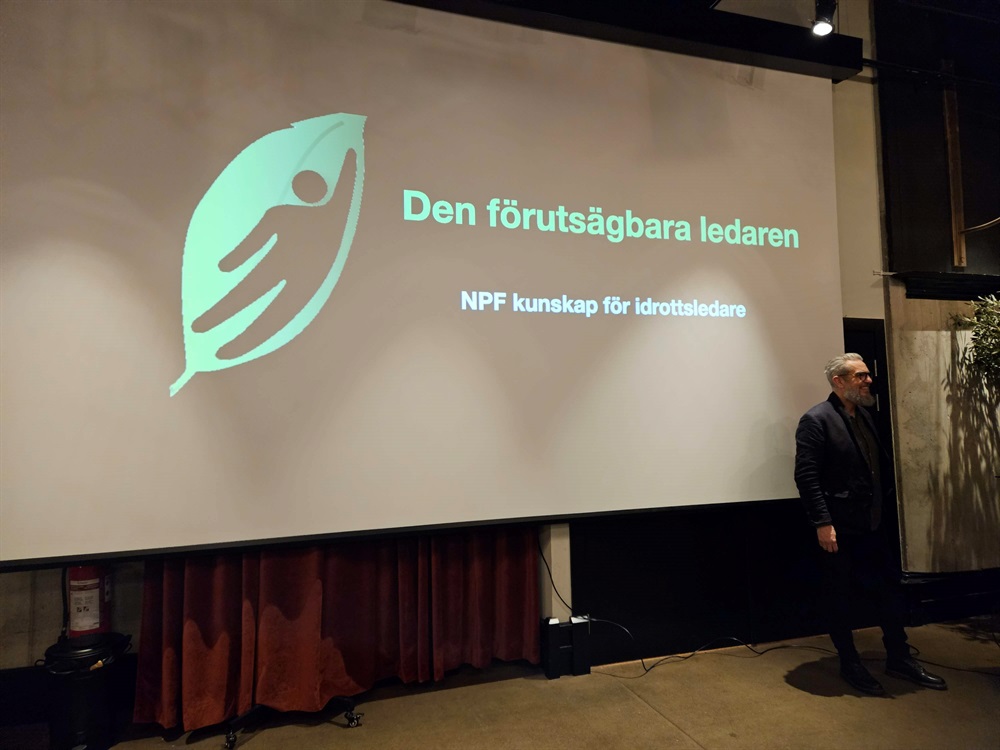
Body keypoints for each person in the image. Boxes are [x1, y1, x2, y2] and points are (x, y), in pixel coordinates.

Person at [794, 353, 946, 695]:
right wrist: (822, 522)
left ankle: (899, 658)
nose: (868, 381)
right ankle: (850, 663)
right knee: (839, 597)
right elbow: (806, 476)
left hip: (873, 525)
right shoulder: (816, 420)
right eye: (860, 376)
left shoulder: (864, 415)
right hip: (840, 528)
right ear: (839, 381)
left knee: (888, 590)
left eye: (866, 375)